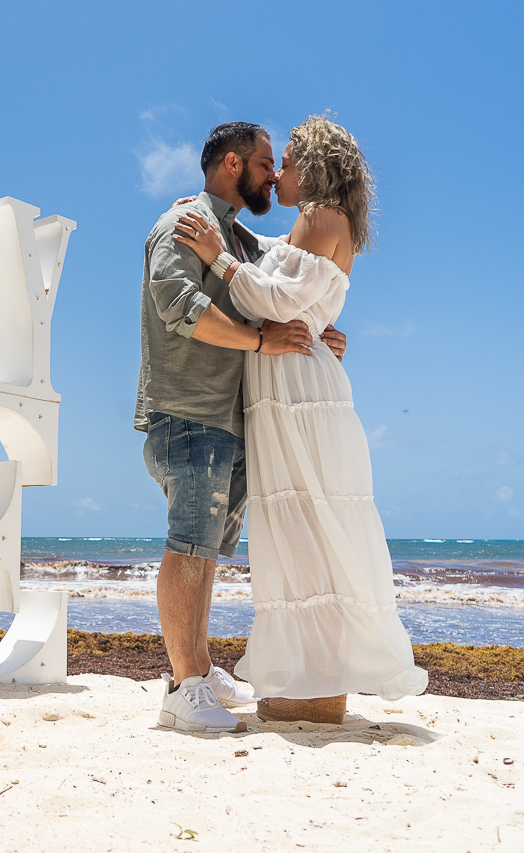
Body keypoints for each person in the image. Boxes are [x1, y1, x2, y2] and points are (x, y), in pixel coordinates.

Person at [172, 115, 428, 724]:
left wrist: (216, 255)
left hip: (294, 386)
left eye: (284, 162)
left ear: (311, 167)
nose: (277, 173)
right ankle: (312, 678)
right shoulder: (312, 223)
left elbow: (278, 299)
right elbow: (298, 295)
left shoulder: (318, 215)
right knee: (303, 525)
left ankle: (310, 682)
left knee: (304, 525)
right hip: (288, 379)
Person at [135, 122, 346, 734]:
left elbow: (278, 285)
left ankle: (196, 667)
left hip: (230, 416)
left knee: (207, 551)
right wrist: (260, 339)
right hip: (188, 411)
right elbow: (179, 306)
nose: (274, 174)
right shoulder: (183, 225)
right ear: (232, 164)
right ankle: (182, 686)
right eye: (264, 162)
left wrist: (316, 331)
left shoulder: (235, 238)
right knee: (189, 546)